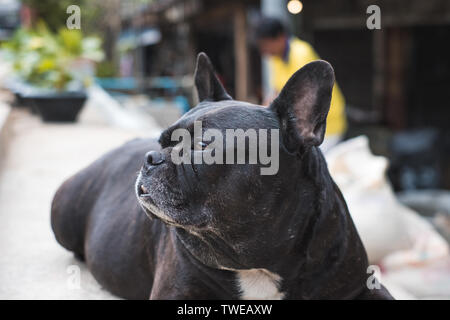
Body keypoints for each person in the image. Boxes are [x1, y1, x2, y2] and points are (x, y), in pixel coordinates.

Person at [255, 16, 347, 152]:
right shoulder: (276, 58)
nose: (264, 50)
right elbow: (276, 91)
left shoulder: (301, 54)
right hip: (305, 124)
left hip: (325, 124)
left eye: (266, 44)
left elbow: (305, 104)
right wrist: (260, 113)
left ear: (280, 37)